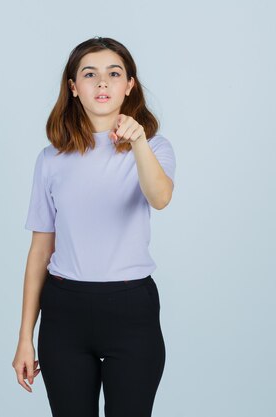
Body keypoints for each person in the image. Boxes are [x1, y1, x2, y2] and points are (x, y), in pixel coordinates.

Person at [11, 36, 177, 417]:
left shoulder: (155, 147)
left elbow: (160, 197)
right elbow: (40, 251)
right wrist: (24, 338)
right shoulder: (51, 159)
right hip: (63, 312)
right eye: (90, 74)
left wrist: (138, 143)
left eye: (113, 73)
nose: (102, 83)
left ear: (129, 85)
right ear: (73, 87)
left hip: (131, 309)